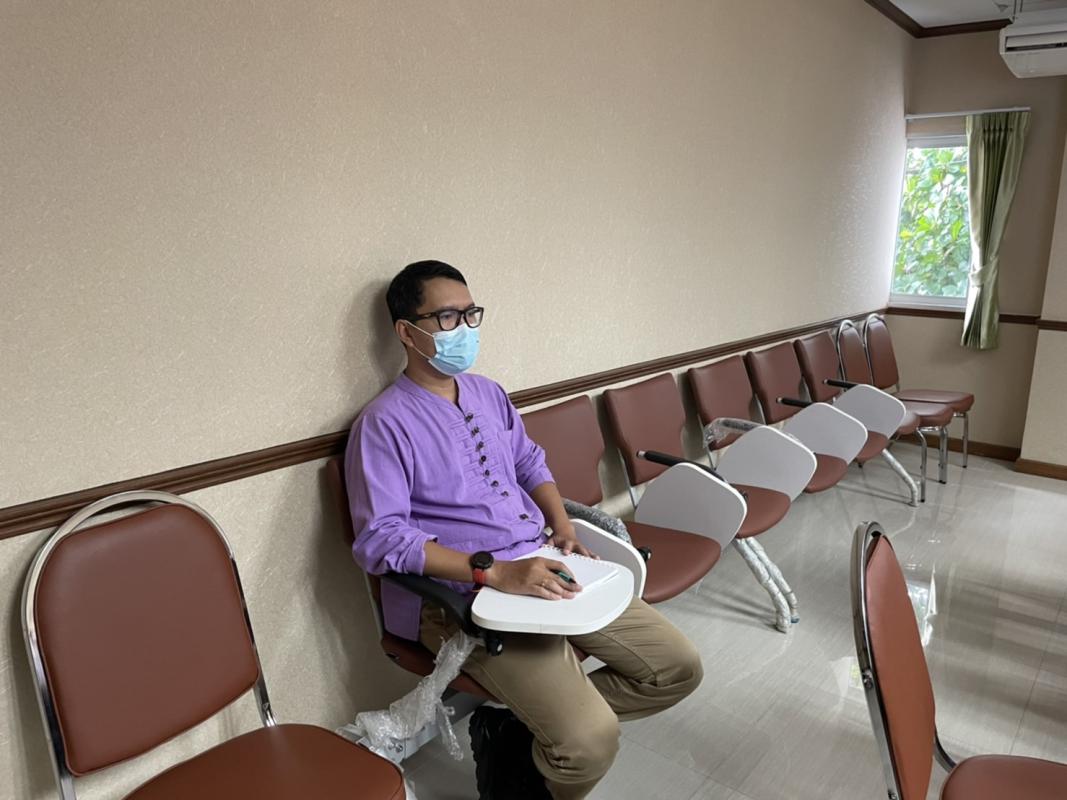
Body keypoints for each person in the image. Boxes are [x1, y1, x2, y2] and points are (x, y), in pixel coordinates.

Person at [345, 260, 703, 800]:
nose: (464, 328)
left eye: (470, 314)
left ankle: (516, 731)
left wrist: (562, 526)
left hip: (541, 561)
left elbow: (529, 461)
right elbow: (381, 539)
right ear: (407, 332)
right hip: (461, 597)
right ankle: (550, 747)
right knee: (588, 743)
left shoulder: (487, 393)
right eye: (446, 317)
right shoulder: (383, 424)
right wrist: (493, 572)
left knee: (677, 668)